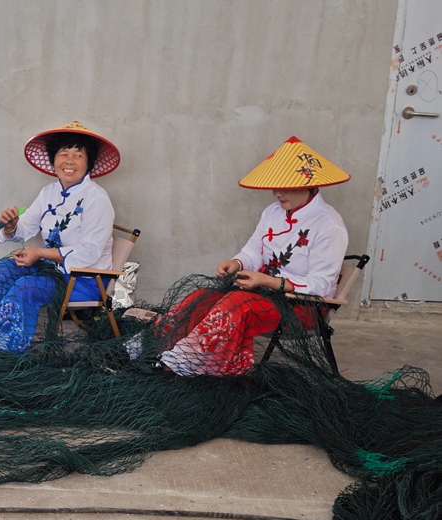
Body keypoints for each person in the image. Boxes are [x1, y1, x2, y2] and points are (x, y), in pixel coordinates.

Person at [129, 136, 350, 376]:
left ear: (308, 184)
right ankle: (143, 346)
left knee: (237, 304)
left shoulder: (329, 225)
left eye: (284, 186)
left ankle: (180, 364)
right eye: (274, 186)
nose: (276, 193)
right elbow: (254, 250)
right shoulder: (272, 212)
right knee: (202, 296)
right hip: (264, 295)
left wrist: (267, 281)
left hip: (302, 307)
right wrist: (237, 263)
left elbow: (323, 285)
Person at [0, 121, 121, 353]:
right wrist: (11, 227)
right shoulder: (49, 192)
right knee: (1, 271)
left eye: (78, 154)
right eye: (63, 153)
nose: (69, 161)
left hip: (84, 279)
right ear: (53, 159)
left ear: (89, 162)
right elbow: (25, 227)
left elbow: (90, 252)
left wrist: (39, 253)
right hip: (51, 271)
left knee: (26, 286)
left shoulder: (97, 198)